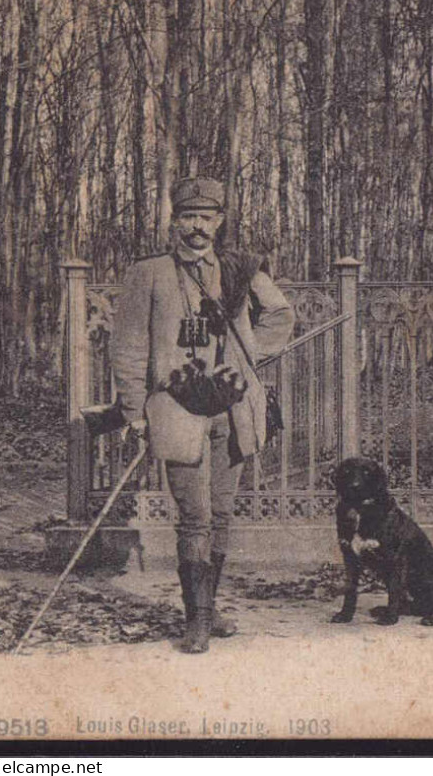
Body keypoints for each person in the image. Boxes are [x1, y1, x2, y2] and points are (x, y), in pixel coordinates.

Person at [112, 178, 295, 653]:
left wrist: (249, 352)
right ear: (174, 222)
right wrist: (134, 411)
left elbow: (280, 315)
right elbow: (129, 348)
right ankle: (196, 621)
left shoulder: (239, 269)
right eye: (188, 217)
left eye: (206, 217)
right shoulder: (147, 273)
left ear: (219, 222)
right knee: (194, 518)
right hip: (177, 409)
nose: (197, 227)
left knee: (222, 513)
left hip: (233, 409)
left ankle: (210, 612)